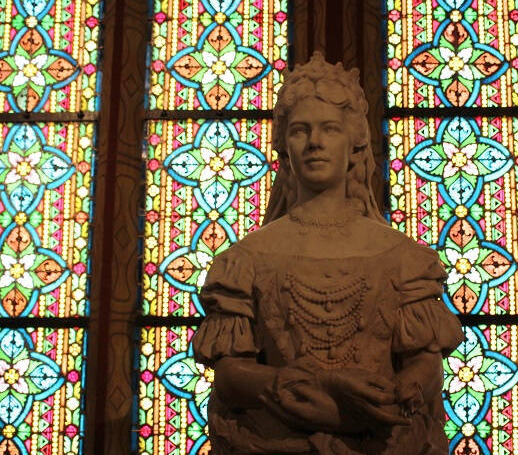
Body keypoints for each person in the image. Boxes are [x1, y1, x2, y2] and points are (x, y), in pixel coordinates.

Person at [192, 52, 463, 454]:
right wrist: (302, 385)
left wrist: (403, 391)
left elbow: (426, 363)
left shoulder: (402, 258)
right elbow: (230, 375)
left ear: (354, 143)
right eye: (300, 130)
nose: (315, 143)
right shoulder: (246, 259)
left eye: (329, 129)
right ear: (284, 147)